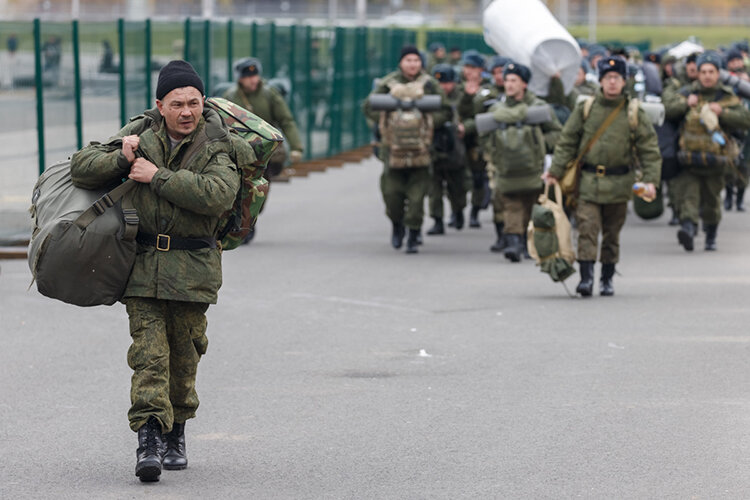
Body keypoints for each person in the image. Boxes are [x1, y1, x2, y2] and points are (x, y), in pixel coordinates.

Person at [70, 60, 242, 482]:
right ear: (160, 105)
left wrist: (158, 176)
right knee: (149, 357)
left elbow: (217, 195)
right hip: (143, 268)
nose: (187, 111)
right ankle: (148, 438)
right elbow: (81, 163)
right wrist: (121, 158)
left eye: (195, 103)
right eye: (178, 103)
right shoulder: (141, 136)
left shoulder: (217, 145)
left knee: (184, 359)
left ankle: (176, 432)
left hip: (194, 269)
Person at [544, 56, 661, 296]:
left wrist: (650, 180)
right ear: (601, 80)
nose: (612, 83)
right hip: (588, 181)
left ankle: (607, 278)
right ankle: (586, 278)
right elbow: (568, 141)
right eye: (608, 78)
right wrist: (555, 171)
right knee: (587, 228)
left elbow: (649, 149)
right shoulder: (585, 108)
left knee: (611, 234)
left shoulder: (634, 112)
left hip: (619, 183)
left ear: (624, 81)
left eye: (616, 78)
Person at [363, 45, 451, 254]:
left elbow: (446, 110)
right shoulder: (388, 83)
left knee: (417, 197)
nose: (412, 64)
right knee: (392, 195)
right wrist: (390, 122)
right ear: (401, 63)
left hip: (421, 152)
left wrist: (425, 122)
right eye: (408, 60)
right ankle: (397, 226)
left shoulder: (430, 84)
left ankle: (413, 233)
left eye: (416, 60)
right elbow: (368, 107)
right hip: (393, 152)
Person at [664, 51, 750, 251]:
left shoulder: (726, 97)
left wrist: (723, 112)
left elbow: (745, 119)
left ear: (718, 73)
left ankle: (711, 235)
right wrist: (686, 104)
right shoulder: (688, 93)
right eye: (703, 71)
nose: (707, 76)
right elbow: (667, 110)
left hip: (716, 162)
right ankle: (688, 228)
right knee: (689, 199)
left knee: (712, 204)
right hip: (689, 161)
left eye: (712, 71)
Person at [483, 63, 562, 262]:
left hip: (533, 167)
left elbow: (556, 133)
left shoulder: (538, 108)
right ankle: (514, 243)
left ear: (524, 84)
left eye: (513, 80)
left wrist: (537, 144)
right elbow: (484, 136)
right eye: (507, 80)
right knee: (511, 206)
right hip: (507, 168)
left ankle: (529, 243)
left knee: (531, 204)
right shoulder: (496, 108)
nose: (508, 84)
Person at [223, 57, 303, 242]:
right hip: (237, 154)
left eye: (255, 75)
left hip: (265, 155)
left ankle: (249, 219)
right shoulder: (230, 97)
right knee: (236, 191)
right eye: (248, 76)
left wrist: (296, 147)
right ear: (240, 78)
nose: (253, 80)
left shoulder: (270, 95)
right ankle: (238, 225)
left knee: (259, 194)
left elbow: (286, 120)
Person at [426, 64, 467, 235]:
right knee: (434, 188)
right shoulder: (429, 98)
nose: (444, 87)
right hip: (434, 149)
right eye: (440, 84)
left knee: (457, 187)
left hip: (455, 150)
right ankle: (437, 220)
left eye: (447, 83)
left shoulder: (462, 97)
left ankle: (458, 211)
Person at [458, 51, 490, 228]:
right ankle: (458, 211)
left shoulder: (487, 89)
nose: (468, 71)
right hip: (460, 139)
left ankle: (475, 211)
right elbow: (458, 112)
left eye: (473, 68)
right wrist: (467, 95)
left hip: (478, 140)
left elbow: (484, 115)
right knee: (459, 179)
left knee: (478, 178)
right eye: (466, 67)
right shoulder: (458, 86)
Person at [723, 48, 750, 211]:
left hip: (747, 129)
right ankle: (728, 196)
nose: (736, 64)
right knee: (728, 165)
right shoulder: (725, 79)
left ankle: (739, 198)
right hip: (732, 128)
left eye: (737, 61)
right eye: (732, 62)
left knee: (745, 166)